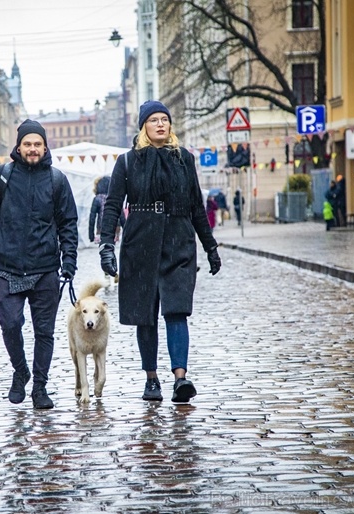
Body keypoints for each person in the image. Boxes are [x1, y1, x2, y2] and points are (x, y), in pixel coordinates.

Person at [98, 100, 221, 403]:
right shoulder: (127, 162)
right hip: (140, 240)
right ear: (143, 126)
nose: (161, 124)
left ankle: (181, 378)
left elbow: (196, 207)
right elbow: (112, 206)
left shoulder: (185, 160)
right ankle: (151, 378)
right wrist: (106, 246)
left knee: (177, 310)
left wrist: (210, 246)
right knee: (146, 314)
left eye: (165, 119)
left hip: (178, 240)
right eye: (153, 120)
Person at [0, 119, 78, 410]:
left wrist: (68, 260)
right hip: (9, 268)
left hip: (46, 267)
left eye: (37, 144)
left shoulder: (57, 180)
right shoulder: (2, 176)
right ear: (18, 146)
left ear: (45, 147)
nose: (32, 149)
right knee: (10, 324)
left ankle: (40, 388)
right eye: (27, 144)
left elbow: (68, 223)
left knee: (44, 331)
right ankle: (20, 371)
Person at [88, 175, 110, 244]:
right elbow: (121, 215)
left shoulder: (97, 199)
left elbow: (92, 218)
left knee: (103, 247)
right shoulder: (113, 198)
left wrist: (91, 235)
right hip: (114, 227)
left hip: (101, 228)